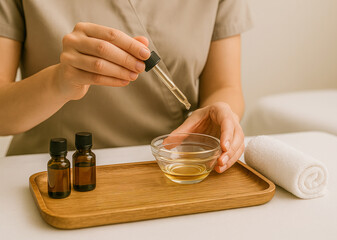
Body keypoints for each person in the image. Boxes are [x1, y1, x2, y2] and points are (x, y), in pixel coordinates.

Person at [0, 0, 252, 173]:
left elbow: (225, 86)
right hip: (51, 169)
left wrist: (221, 115)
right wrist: (58, 82)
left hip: (172, 167)